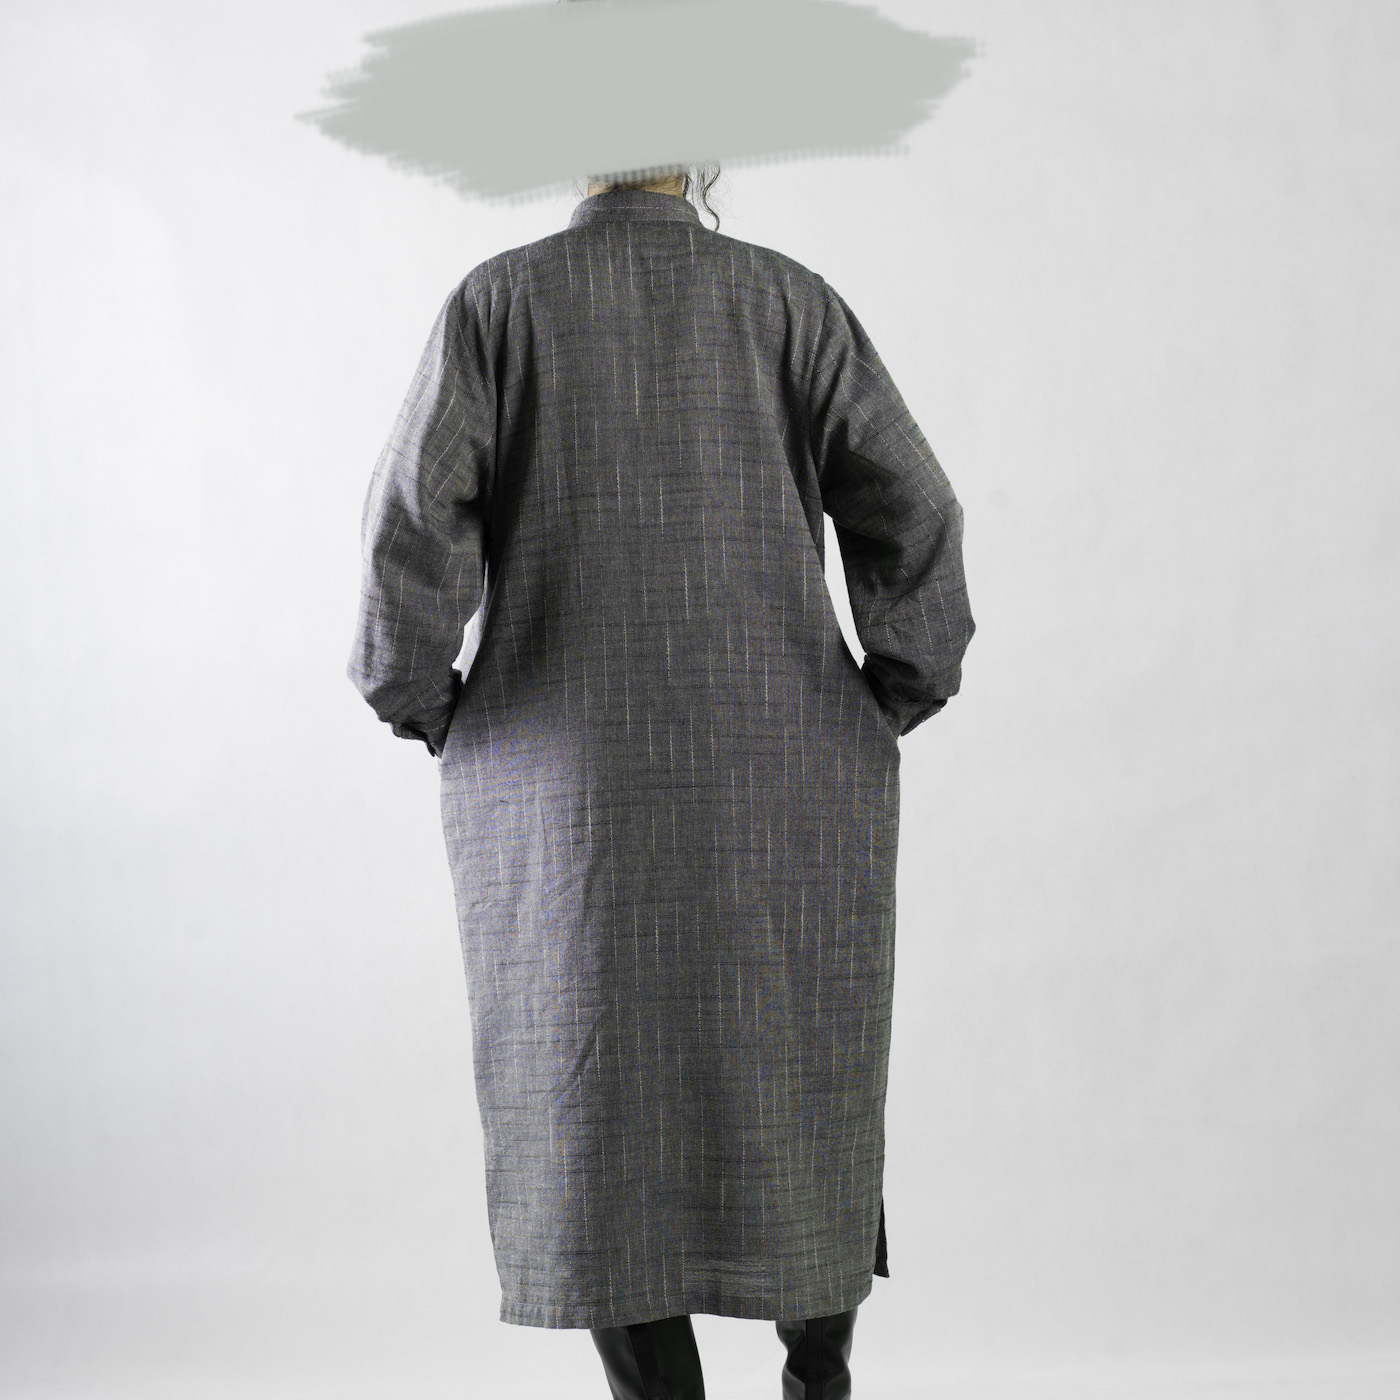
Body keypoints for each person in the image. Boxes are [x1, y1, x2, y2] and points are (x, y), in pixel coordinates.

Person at [346, 162, 975, 1399]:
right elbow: (915, 506)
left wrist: (422, 696)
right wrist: (897, 682)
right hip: (789, 772)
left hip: (562, 792)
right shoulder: (790, 303)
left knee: (595, 1099)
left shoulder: (500, 306)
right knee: (799, 1068)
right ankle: (817, 1382)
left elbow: (409, 522)